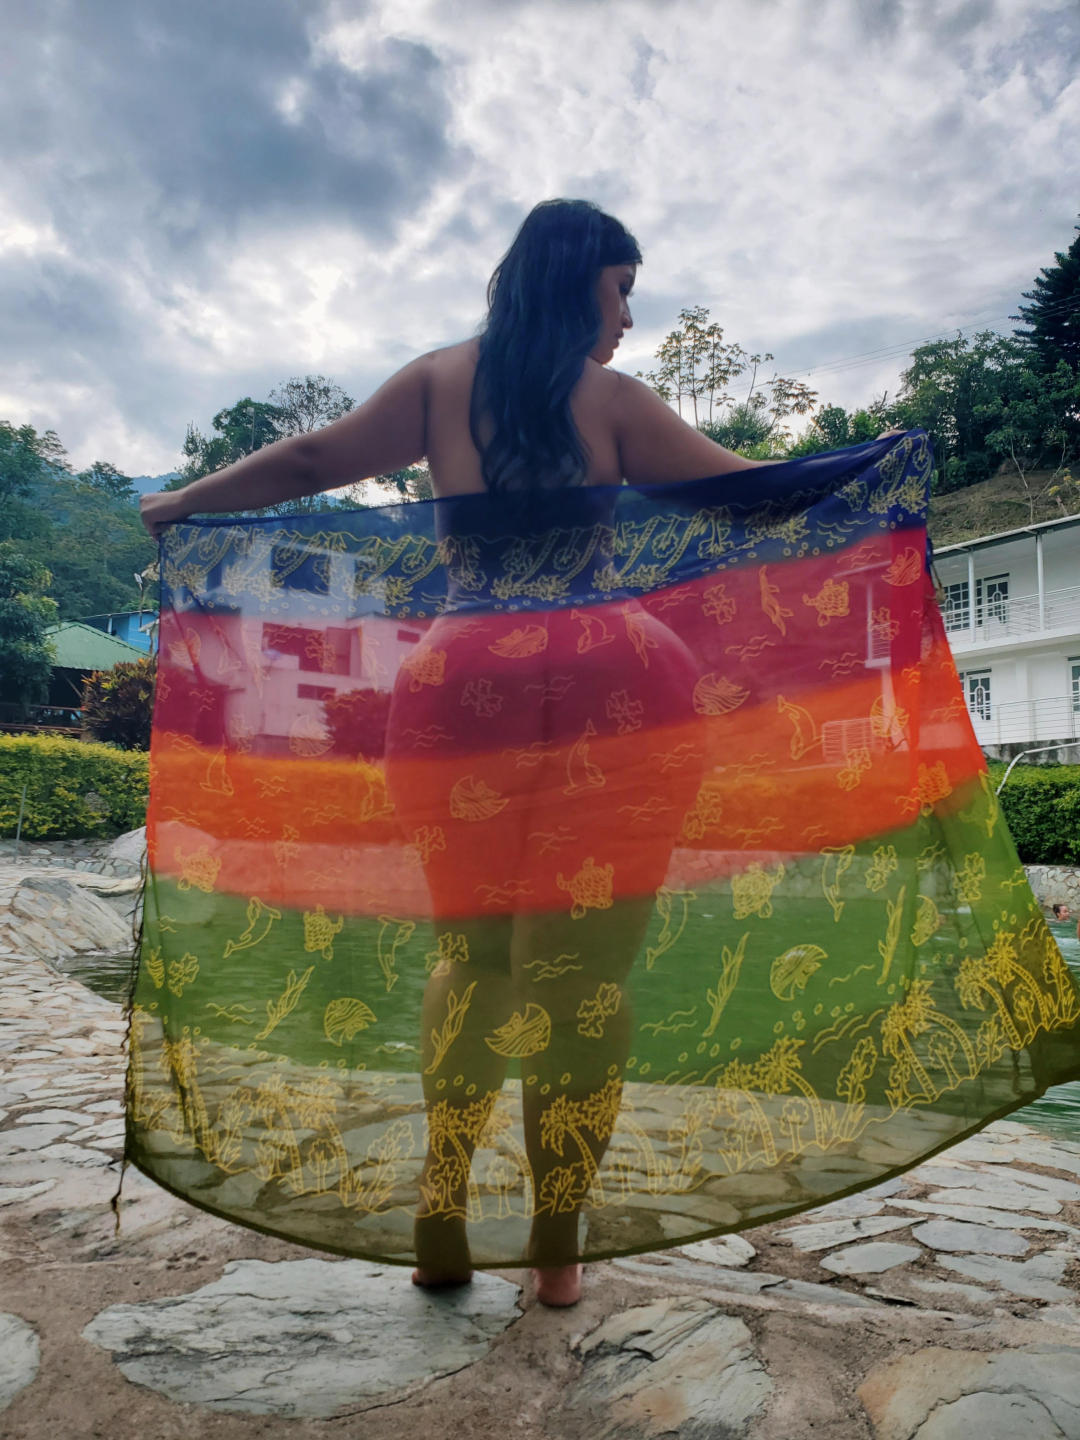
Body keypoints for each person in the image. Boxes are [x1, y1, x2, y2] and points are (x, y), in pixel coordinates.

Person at [141, 199, 903, 1306]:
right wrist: (880, 460)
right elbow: (753, 496)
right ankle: (555, 1244)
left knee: (472, 959)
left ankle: (443, 1209)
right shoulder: (615, 402)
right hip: (618, 683)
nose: (629, 315)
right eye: (622, 287)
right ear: (576, 277)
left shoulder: (438, 382)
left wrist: (182, 501)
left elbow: (312, 456)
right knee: (585, 979)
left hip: (461, 685)